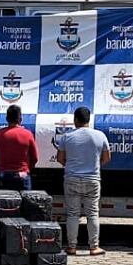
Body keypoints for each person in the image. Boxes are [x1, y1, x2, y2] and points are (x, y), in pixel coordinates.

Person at [55, 106, 110, 256]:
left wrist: (71, 166)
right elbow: (107, 158)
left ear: (75, 120)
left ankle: (72, 247)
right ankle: (94, 247)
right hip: (92, 179)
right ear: (88, 120)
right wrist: (94, 165)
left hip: (72, 178)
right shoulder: (100, 135)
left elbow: (60, 158)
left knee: (73, 214)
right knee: (92, 214)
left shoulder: (66, 137)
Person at [0, 104, 38, 192]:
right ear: (20, 119)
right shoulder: (28, 134)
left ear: (7, 119)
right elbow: (34, 157)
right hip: (22, 174)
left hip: (4, 174)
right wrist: (26, 168)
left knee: (3, 200)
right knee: (25, 200)